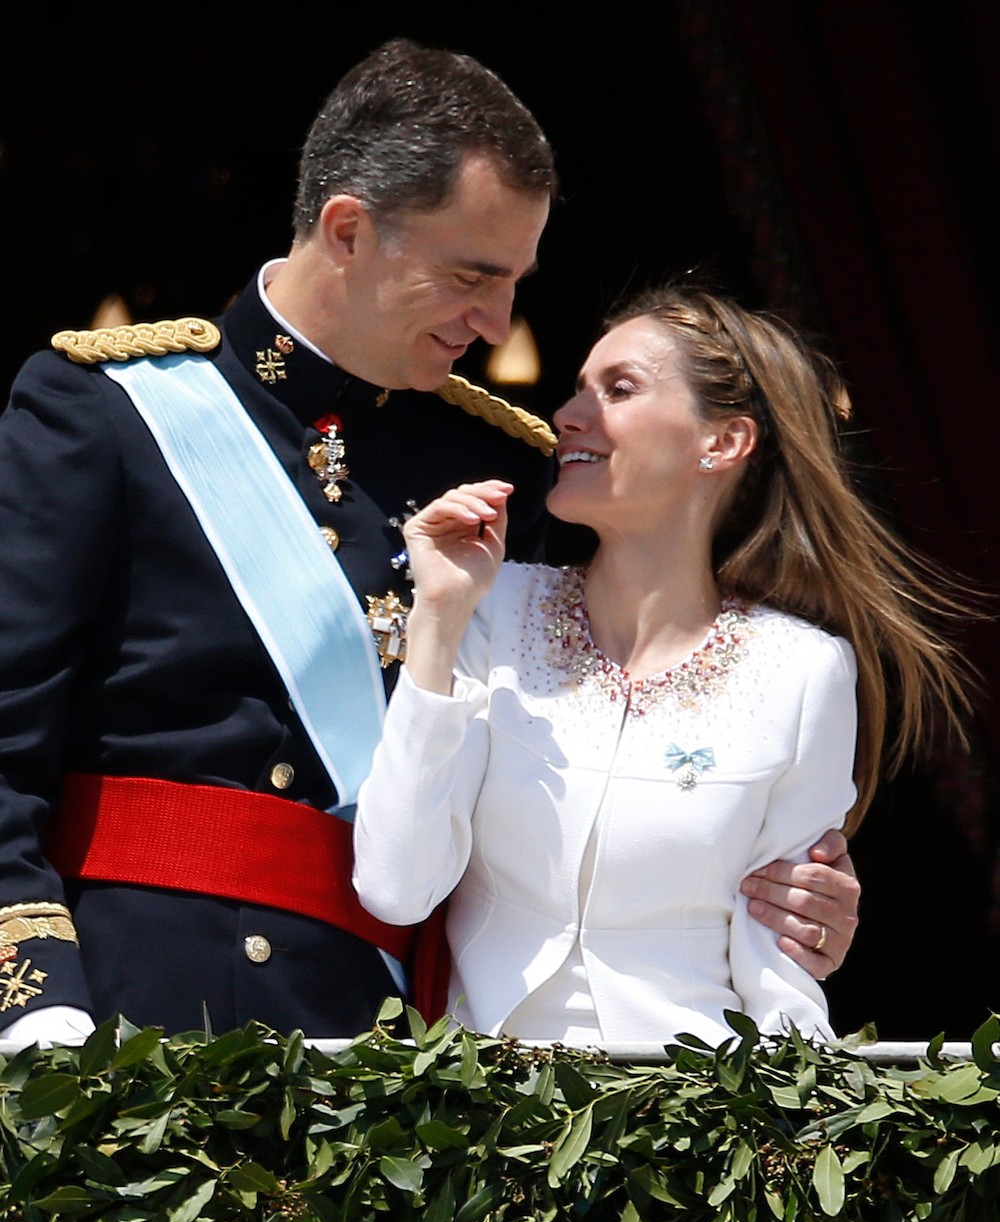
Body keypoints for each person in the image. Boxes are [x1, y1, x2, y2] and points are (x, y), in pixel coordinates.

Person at [0, 40, 855, 1047]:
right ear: (348, 230)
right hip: (130, 1008)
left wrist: (780, 888)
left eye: (514, 283)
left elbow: (598, 743)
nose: (496, 324)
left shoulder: (509, 468)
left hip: (393, 1039)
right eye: (470, 276)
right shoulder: (106, 415)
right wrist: (35, 1002)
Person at [352, 283, 972, 1045]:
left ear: (724, 442)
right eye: (579, 389)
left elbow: (779, 966)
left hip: (694, 1098)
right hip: (478, 1096)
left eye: (619, 389)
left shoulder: (804, 670)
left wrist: (802, 1111)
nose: (568, 414)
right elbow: (395, 887)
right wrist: (437, 619)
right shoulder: (492, 606)